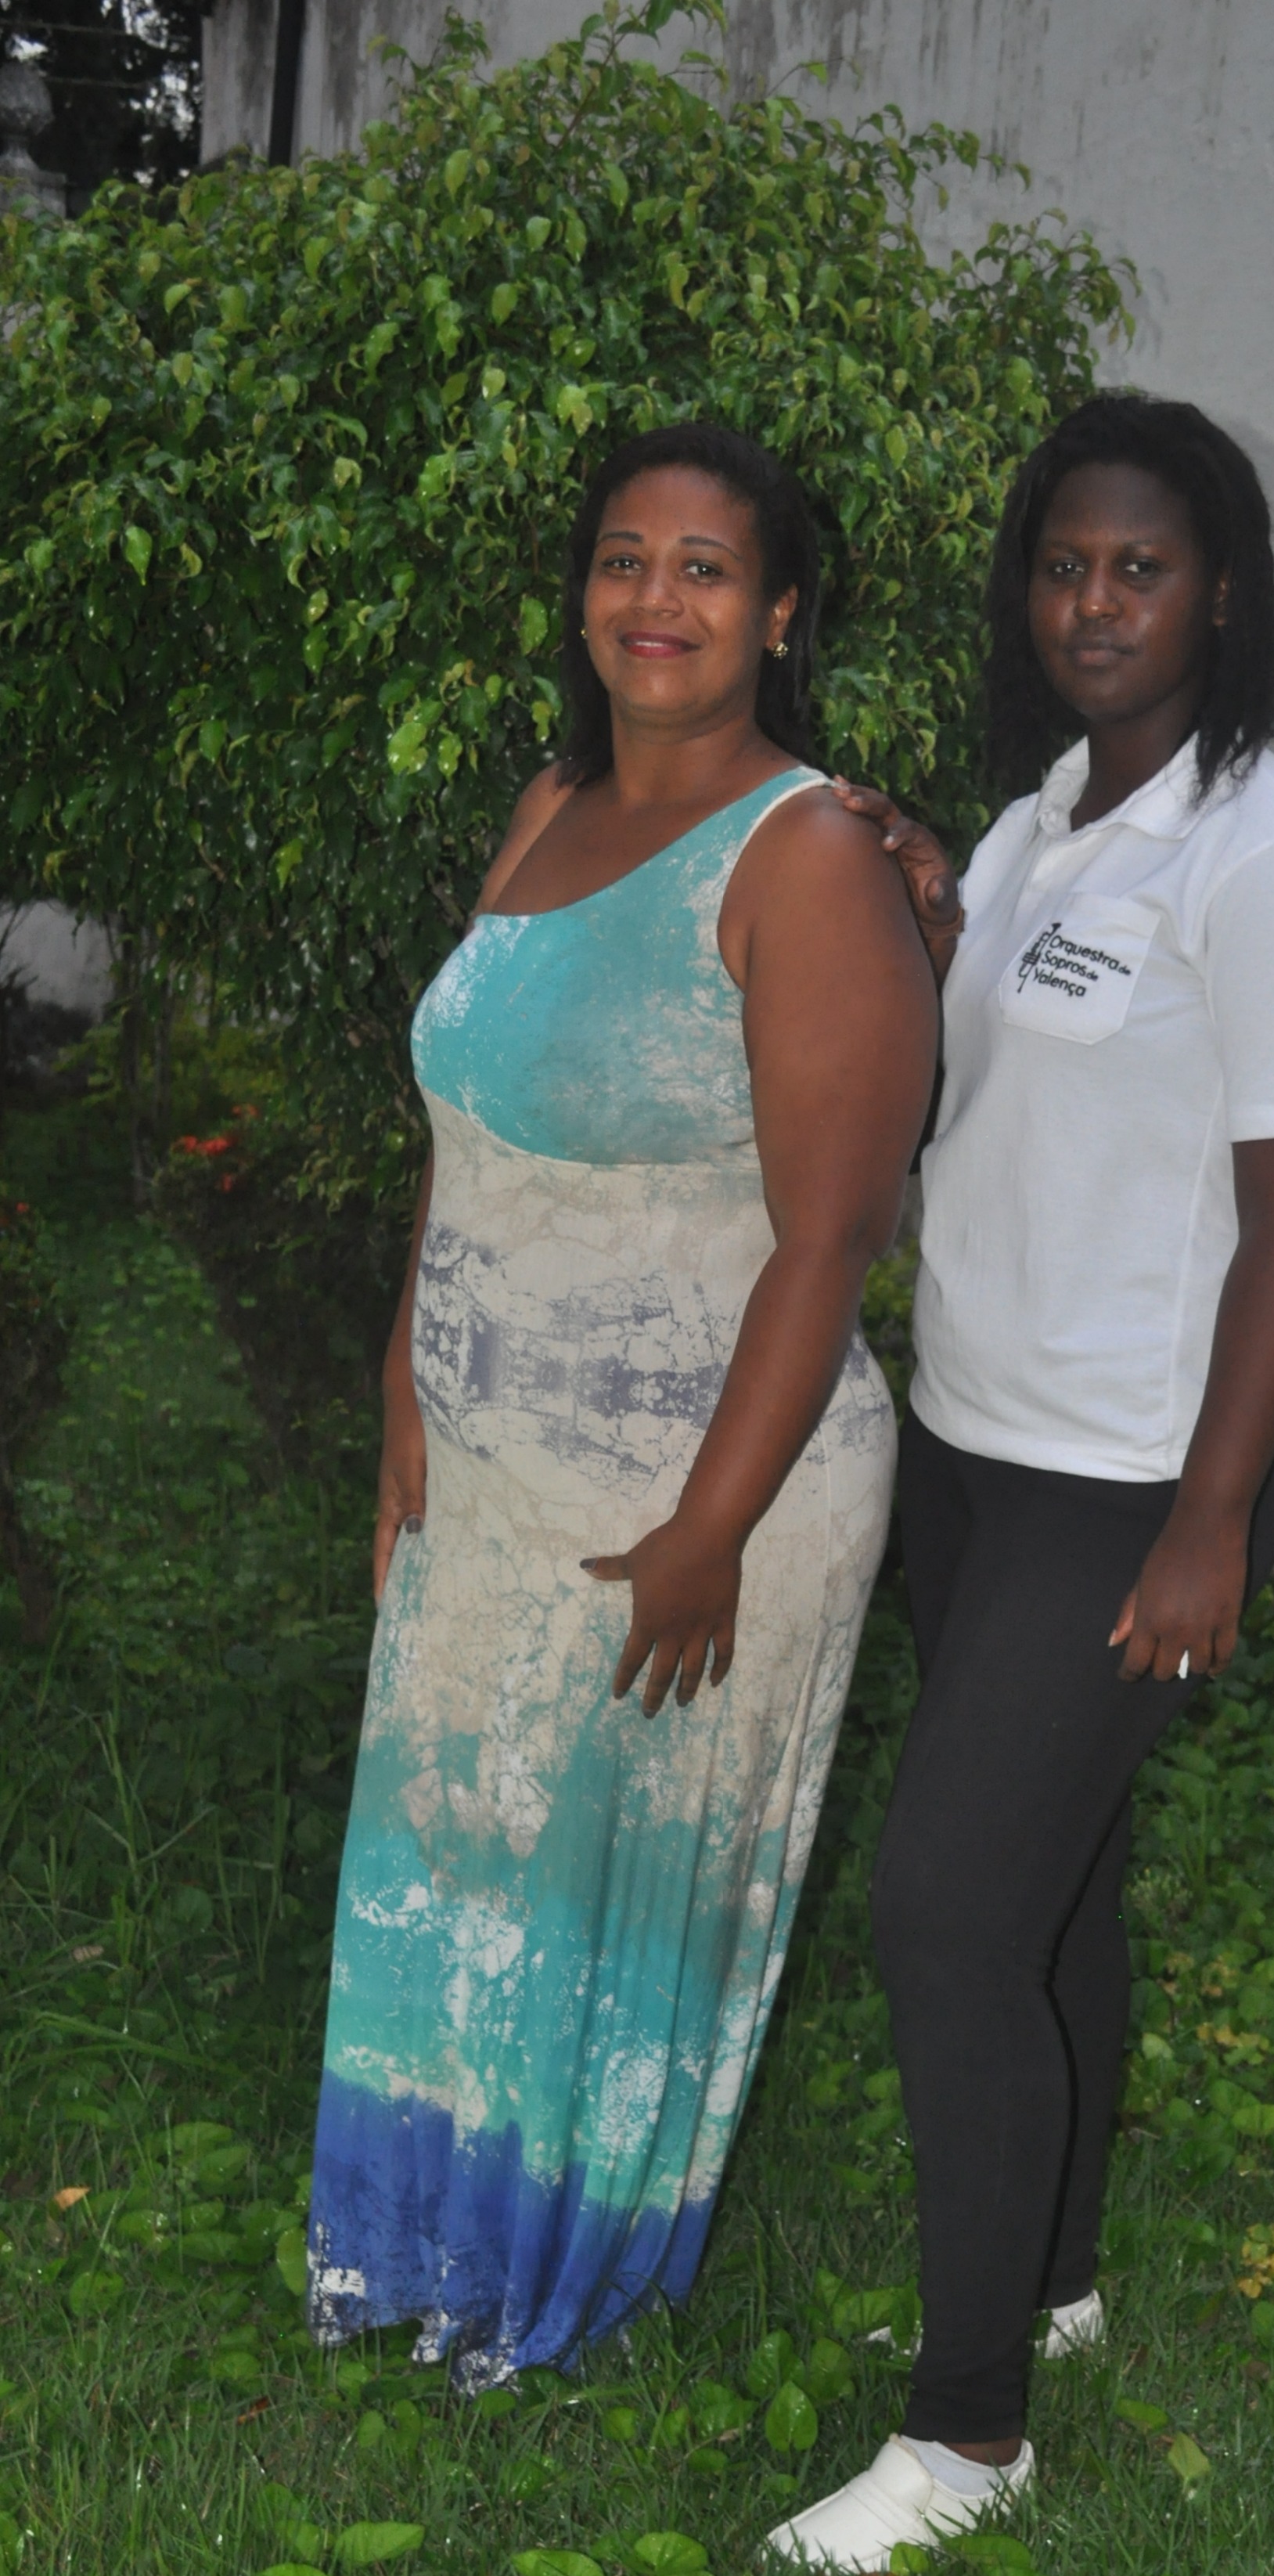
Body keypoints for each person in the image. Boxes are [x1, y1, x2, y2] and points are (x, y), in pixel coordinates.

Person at [767, 392, 1274, 2572]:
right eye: (1061, 565)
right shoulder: (1044, 821)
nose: (1093, 603)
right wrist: (942, 912)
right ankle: (1047, 2285)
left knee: (946, 1910)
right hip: (976, 1436)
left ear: (1222, 594)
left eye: (1140, 568)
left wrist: (1212, 1520)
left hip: (1127, 1481)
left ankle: (968, 2441)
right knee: (1054, 1892)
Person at [306, 424, 937, 2387]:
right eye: (621, 559)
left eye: (704, 568)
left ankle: (551, 2292)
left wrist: (706, 1528)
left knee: (593, 1895)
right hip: (490, 1459)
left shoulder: (804, 857)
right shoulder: (546, 807)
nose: (653, 599)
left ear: (779, 615)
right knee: (461, 1854)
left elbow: (830, 1237)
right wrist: (405, 1391)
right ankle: (412, 2247)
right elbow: (470, 1137)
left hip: (695, 1488)